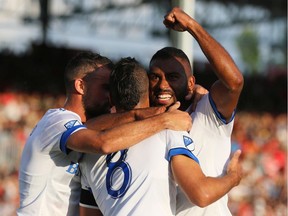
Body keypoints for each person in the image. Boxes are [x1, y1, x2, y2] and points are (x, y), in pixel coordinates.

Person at [17, 52, 193, 216]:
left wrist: (195, 92)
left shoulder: (84, 126)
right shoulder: (56, 122)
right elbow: (103, 143)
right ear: (80, 86)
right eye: (105, 87)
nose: (111, 97)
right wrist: (164, 120)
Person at [79, 57, 242, 216]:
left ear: (110, 98)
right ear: (148, 91)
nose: (163, 85)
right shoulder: (166, 128)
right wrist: (234, 177)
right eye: (155, 78)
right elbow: (201, 194)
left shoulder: (86, 151)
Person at [148, 7, 244, 216]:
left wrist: (192, 26)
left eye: (172, 77)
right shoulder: (144, 126)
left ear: (191, 84)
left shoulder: (207, 112)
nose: (162, 85)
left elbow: (234, 83)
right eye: (155, 77)